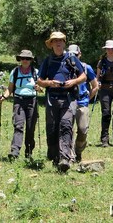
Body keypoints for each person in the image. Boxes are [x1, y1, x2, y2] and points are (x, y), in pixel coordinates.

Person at [35, 31, 86, 172]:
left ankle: (65, 158)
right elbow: (39, 81)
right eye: (54, 41)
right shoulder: (48, 61)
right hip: (52, 99)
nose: (58, 43)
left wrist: (73, 82)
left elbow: (83, 77)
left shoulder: (72, 59)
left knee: (66, 126)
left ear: (64, 43)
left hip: (68, 99)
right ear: (51, 45)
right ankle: (54, 156)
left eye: (60, 41)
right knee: (52, 130)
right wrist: (50, 83)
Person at [0, 49, 39, 160]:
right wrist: (4, 97)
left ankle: (29, 152)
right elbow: (10, 89)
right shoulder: (15, 72)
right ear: (20, 59)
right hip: (19, 101)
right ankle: (14, 151)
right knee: (18, 126)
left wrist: (39, 88)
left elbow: (42, 89)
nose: (25, 60)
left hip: (32, 101)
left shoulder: (36, 72)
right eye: (23, 58)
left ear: (31, 60)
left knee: (30, 128)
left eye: (27, 58)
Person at [67, 44, 98, 162]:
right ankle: (69, 155)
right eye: (70, 55)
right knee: (68, 129)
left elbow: (95, 86)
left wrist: (88, 98)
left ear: (79, 54)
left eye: (75, 55)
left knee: (83, 130)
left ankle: (78, 150)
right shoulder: (65, 67)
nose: (73, 57)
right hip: (68, 102)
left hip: (82, 102)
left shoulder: (86, 68)